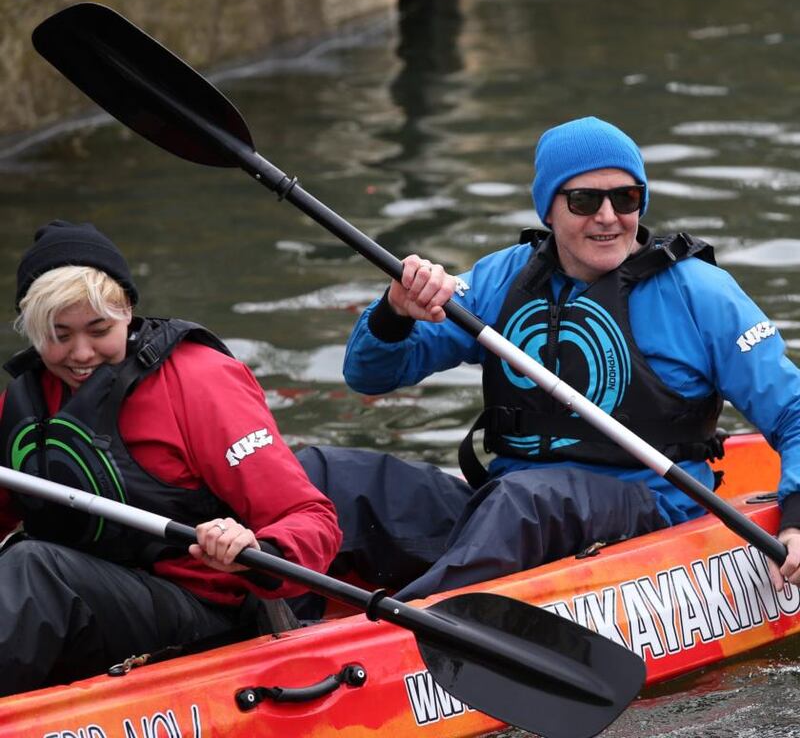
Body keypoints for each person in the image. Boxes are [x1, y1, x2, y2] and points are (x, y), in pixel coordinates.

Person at [341, 115, 800, 600]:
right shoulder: (500, 279)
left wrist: (797, 520)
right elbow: (369, 375)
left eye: (625, 198)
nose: (607, 217)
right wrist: (395, 312)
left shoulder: (701, 294)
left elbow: (793, 410)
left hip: (650, 510)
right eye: (584, 200)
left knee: (525, 503)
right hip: (507, 507)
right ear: (548, 211)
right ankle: (273, 615)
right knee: (338, 476)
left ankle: (412, 622)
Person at [0, 220, 342, 696]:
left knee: (32, 567)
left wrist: (255, 549)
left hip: (208, 615)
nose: (80, 354)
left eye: (99, 330)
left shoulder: (200, 382)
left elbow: (311, 518)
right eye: (58, 335)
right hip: (90, 607)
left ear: (127, 312)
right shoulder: (25, 401)